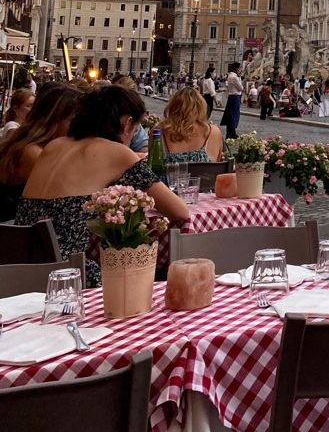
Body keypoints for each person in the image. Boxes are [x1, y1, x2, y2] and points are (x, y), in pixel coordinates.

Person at [16, 86, 188, 285]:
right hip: (66, 275)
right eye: (135, 130)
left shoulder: (54, 146)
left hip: (18, 270)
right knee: (136, 275)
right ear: (126, 123)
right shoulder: (116, 152)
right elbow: (180, 211)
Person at [0, 84, 80, 221]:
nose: (78, 126)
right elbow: (64, 195)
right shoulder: (33, 153)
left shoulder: (25, 143)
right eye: (73, 119)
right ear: (55, 120)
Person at [159, 87, 225, 164]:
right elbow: (218, 162)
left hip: (171, 171)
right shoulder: (213, 132)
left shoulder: (159, 131)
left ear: (173, 106)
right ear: (201, 107)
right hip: (204, 172)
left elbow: (152, 165)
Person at [221, 62, 243, 138]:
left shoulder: (231, 75)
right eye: (239, 68)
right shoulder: (234, 77)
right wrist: (239, 77)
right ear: (237, 68)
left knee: (231, 115)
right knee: (234, 115)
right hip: (235, 97)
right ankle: (231, 133)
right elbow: (241, 88)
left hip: (232, 96)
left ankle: (231, 132)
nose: (240, 70)